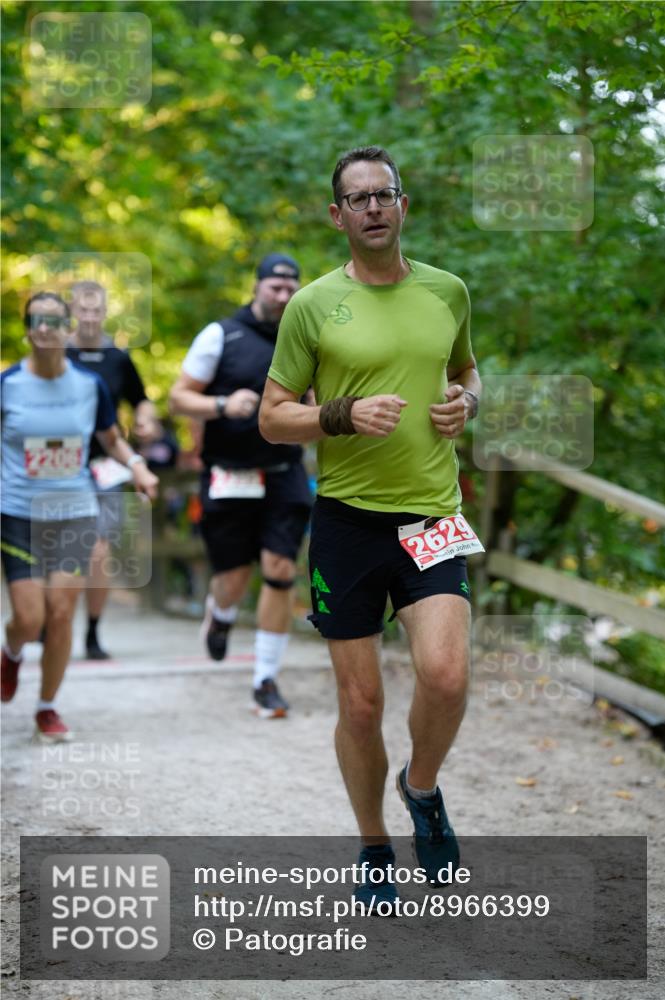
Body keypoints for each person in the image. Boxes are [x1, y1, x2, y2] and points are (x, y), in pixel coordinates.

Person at [259, 147, 482, 910]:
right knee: (360, 705)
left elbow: (466, 372)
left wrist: (467, 403)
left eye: (383, 194)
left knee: (446, 675)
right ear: (337, 216)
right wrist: (339, 414)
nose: (373, 207)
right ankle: (374, 842)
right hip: (349, 522)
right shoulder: (312, 306)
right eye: (357, 199)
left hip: (432, 513)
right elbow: (271, 416)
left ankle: (420, 790)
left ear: (403, 203)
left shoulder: (446, 291)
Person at [1, 292, 158, 742]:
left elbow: (111, 439)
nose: (45, 328)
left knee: (61, 611)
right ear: (29, 329)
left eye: (54, 320)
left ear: (66, 327)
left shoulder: (89, 386)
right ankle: (11, 652)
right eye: (37, 320)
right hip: (18, 513)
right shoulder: (7, 385)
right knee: (29, 618)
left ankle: (47, 708)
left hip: (73, 510)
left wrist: (138, 466)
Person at [169, 254, 312, 718]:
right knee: (232, 578)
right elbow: (178, 398)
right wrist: (223, 403)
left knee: (279, 569)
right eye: (275, 286)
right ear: (257, 287)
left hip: (283, 470)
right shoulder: (221, 335)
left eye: (291, 287)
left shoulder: (306, 336)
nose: (284, 295)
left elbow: (316, 400)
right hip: (229, 471)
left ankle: (265, 678)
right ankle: (222, 613)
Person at [66, 280, 157, 660]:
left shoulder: (118, 358)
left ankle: (91, 631)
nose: (89, 316)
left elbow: (142, 401)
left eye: (95, 310)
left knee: (98, 551)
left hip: (106, 464)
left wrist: (146, 423)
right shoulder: (55, 354)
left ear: (104, 312)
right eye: (82, 310)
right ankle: (44, 619)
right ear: (73, 312)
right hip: (59, 465)